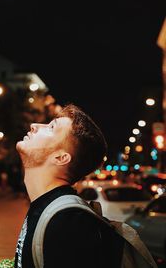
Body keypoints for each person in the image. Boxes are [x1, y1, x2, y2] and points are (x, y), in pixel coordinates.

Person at [14, 103, 124, 268]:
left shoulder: (68, 224)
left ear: (60, 158)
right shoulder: (48, 209)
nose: (34, 126)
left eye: (51, 127)